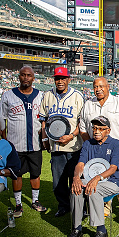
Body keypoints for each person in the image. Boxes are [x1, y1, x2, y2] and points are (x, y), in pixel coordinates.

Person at [80, 77, 119, 222]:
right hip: (96, 154)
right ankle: (104, 208)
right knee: (98, 180)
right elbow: (82, 129)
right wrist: (91, 147)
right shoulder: (88, 105)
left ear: (108, 87)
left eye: (101, 86)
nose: (98, 89)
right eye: (95, 87)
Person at [65, 116, 119, 237]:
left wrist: (97, 178)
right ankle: (76, 228)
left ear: (108, 130)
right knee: (76, 189)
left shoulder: (116, 144)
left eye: (101, 129)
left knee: (93, 190)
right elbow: (80, 164)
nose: (96, 131)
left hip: (111, 182)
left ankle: (101, 230)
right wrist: (76, 178)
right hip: (89, 179)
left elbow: (113, 168)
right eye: (94, 128)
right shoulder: (87, 144)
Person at [0, 66, 45, 217]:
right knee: (16, 174)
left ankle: (35, 201)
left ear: (33, 78)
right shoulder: (8, 95)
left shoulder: (41, 96)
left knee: (35, 174)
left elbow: (46, 118)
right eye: (23, 75)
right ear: (19, 77)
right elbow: (1, 119)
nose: (26, 77)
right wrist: (4, 139)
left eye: (29, 75)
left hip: (35, 143)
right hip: (15, 145)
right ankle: (18, 204)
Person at [40, 67, 85, 217]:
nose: (60, 81)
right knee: (58, 182)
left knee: (75, 179)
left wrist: (71, 135)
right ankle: (63, 206)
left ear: (68, 79)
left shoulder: (77, 96)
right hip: (56, 147)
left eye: (63, 78)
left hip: (73, 146)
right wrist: (45, 138)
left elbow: (82, 122)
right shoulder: (47, 95)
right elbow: (44, 119)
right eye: (57, 78)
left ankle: (78, 206)